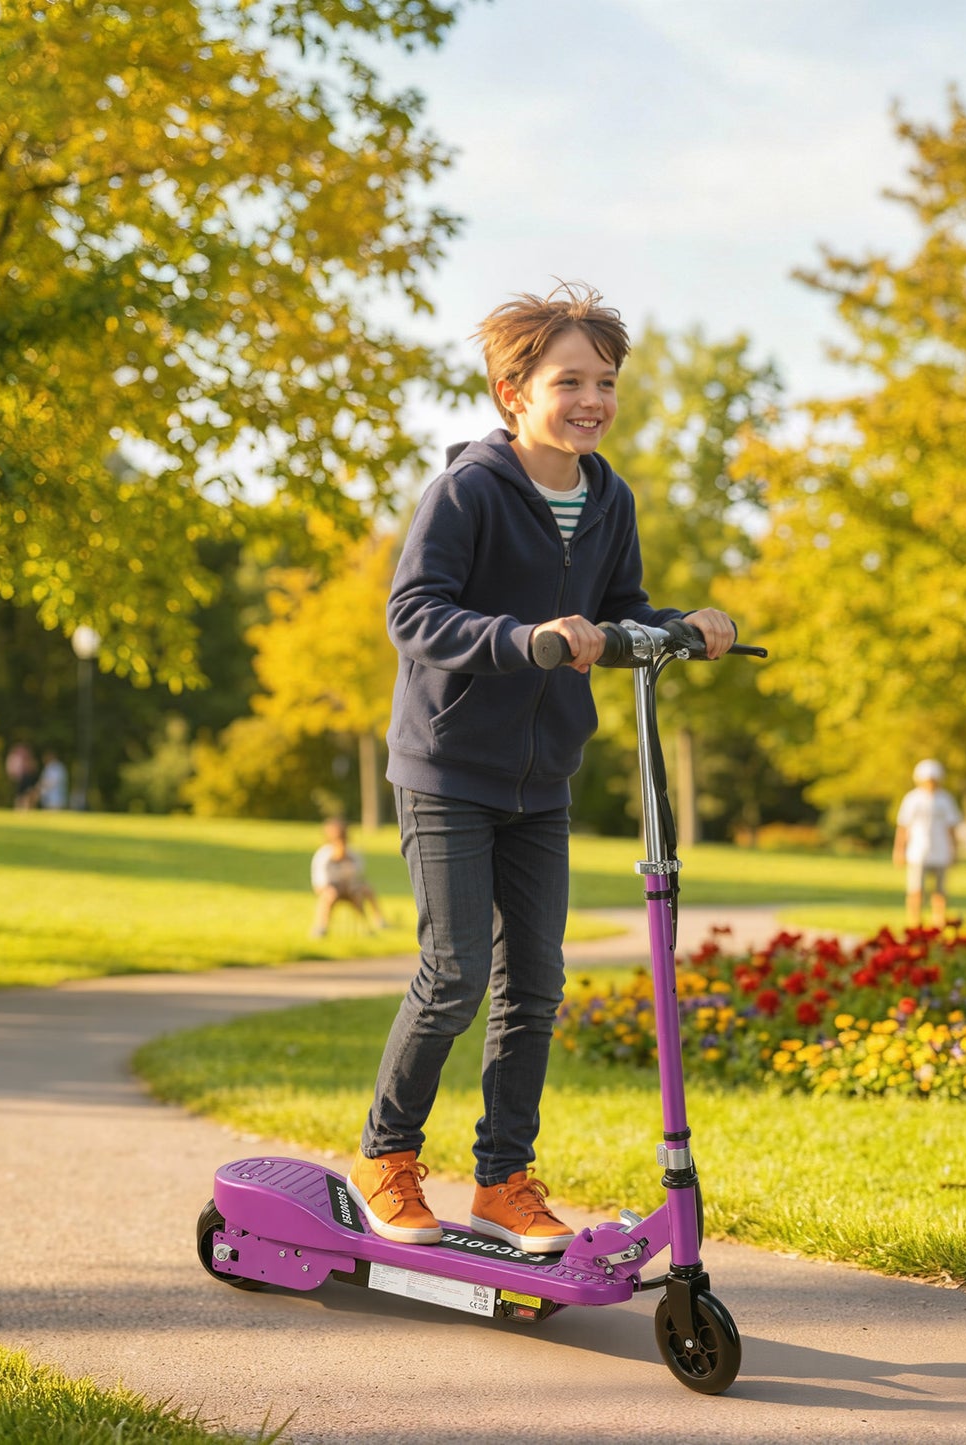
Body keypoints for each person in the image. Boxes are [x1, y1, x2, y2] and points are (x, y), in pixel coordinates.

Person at [349, 283, 736, 1252]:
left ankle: (502, 1179)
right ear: (511, 391)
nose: (592, 399)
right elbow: (413, 612)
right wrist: (522, 640)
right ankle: (386, 1156)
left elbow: (619, 611)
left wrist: (682, 627)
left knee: (534, 986)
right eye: (569, 381)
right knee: (453, 973)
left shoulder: (609, 498)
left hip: (542, 776)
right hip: (447, 765)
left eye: (604, 381)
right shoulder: (467, 491)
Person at [893, 759, 963, 928]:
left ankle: (938, 922)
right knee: (916, 890)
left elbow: (951, 828)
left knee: (940, 891)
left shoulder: (945, 800)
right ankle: (914, 923)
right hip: (918, 851)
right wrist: (899, 849)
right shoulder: (912, 799)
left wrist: (955, 850)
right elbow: (903, 827)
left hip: (941, 851)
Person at [310, 817, 386, 936]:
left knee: (359, 894)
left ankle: (369, 926)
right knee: (329, 896)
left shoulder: (352, 854)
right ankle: (322, 927)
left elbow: (358, 876)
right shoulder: (324, 855)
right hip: (331, 889)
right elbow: (319, 883)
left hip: (350, 887)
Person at [5, 741, 37, 810]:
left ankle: (25, 808)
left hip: (25, 777)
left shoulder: (23, 757)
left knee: (26, 794)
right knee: (21, 794)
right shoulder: (15, 757)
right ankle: (19, 808)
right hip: (19, 778)